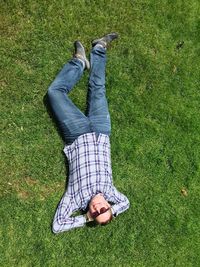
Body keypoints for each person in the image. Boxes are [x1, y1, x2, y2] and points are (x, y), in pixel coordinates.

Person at [47, 33, 130, 233]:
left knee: (54, 93)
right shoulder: (111, 192)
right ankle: (99, 47)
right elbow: (126, 203)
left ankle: (78, 63)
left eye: (95, 213)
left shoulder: (75, 198)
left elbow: (58, 226)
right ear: (109, 205)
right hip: (102, 130)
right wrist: (113, 211)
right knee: (98, 88)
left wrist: (85, 219)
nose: (97, 208)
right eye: (103, 209)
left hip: (76, 134)